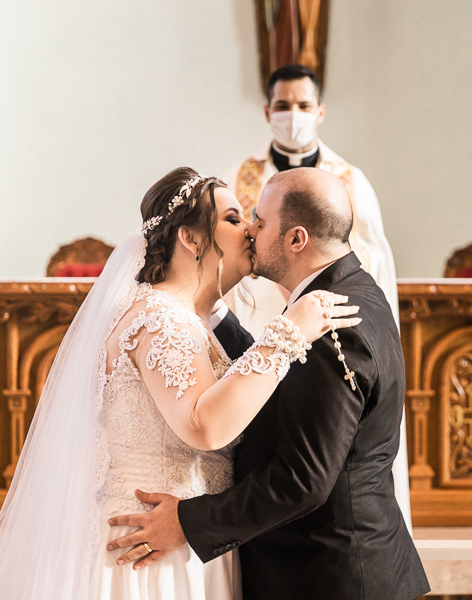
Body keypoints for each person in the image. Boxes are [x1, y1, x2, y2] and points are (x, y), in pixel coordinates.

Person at [0, 167, 360, 600]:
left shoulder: (190, 320)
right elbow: (204, 426)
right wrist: (288, 335)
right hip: (148, 554)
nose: (251, 229)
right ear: (190, 238)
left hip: (186, 542)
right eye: (233, 219)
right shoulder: (161, 321)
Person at [108, 169, 430, 600]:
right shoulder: (349, 294)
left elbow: (303, 478)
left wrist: (188, 522)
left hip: (331, 576)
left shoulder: (330, 324)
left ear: (296, 239)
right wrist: (208, 308)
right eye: (238, 218)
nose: (251, 230)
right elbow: (271, 383)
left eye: (258, 220)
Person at [223, 62, 413, 531]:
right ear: (268, 111)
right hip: (257, 328)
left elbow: (375, 264)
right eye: (283, 106)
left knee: (325, 464)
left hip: (329, 325)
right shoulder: (239, 177)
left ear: (320, 111)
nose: (293, 116)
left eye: (303, 106)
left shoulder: (350, 181)